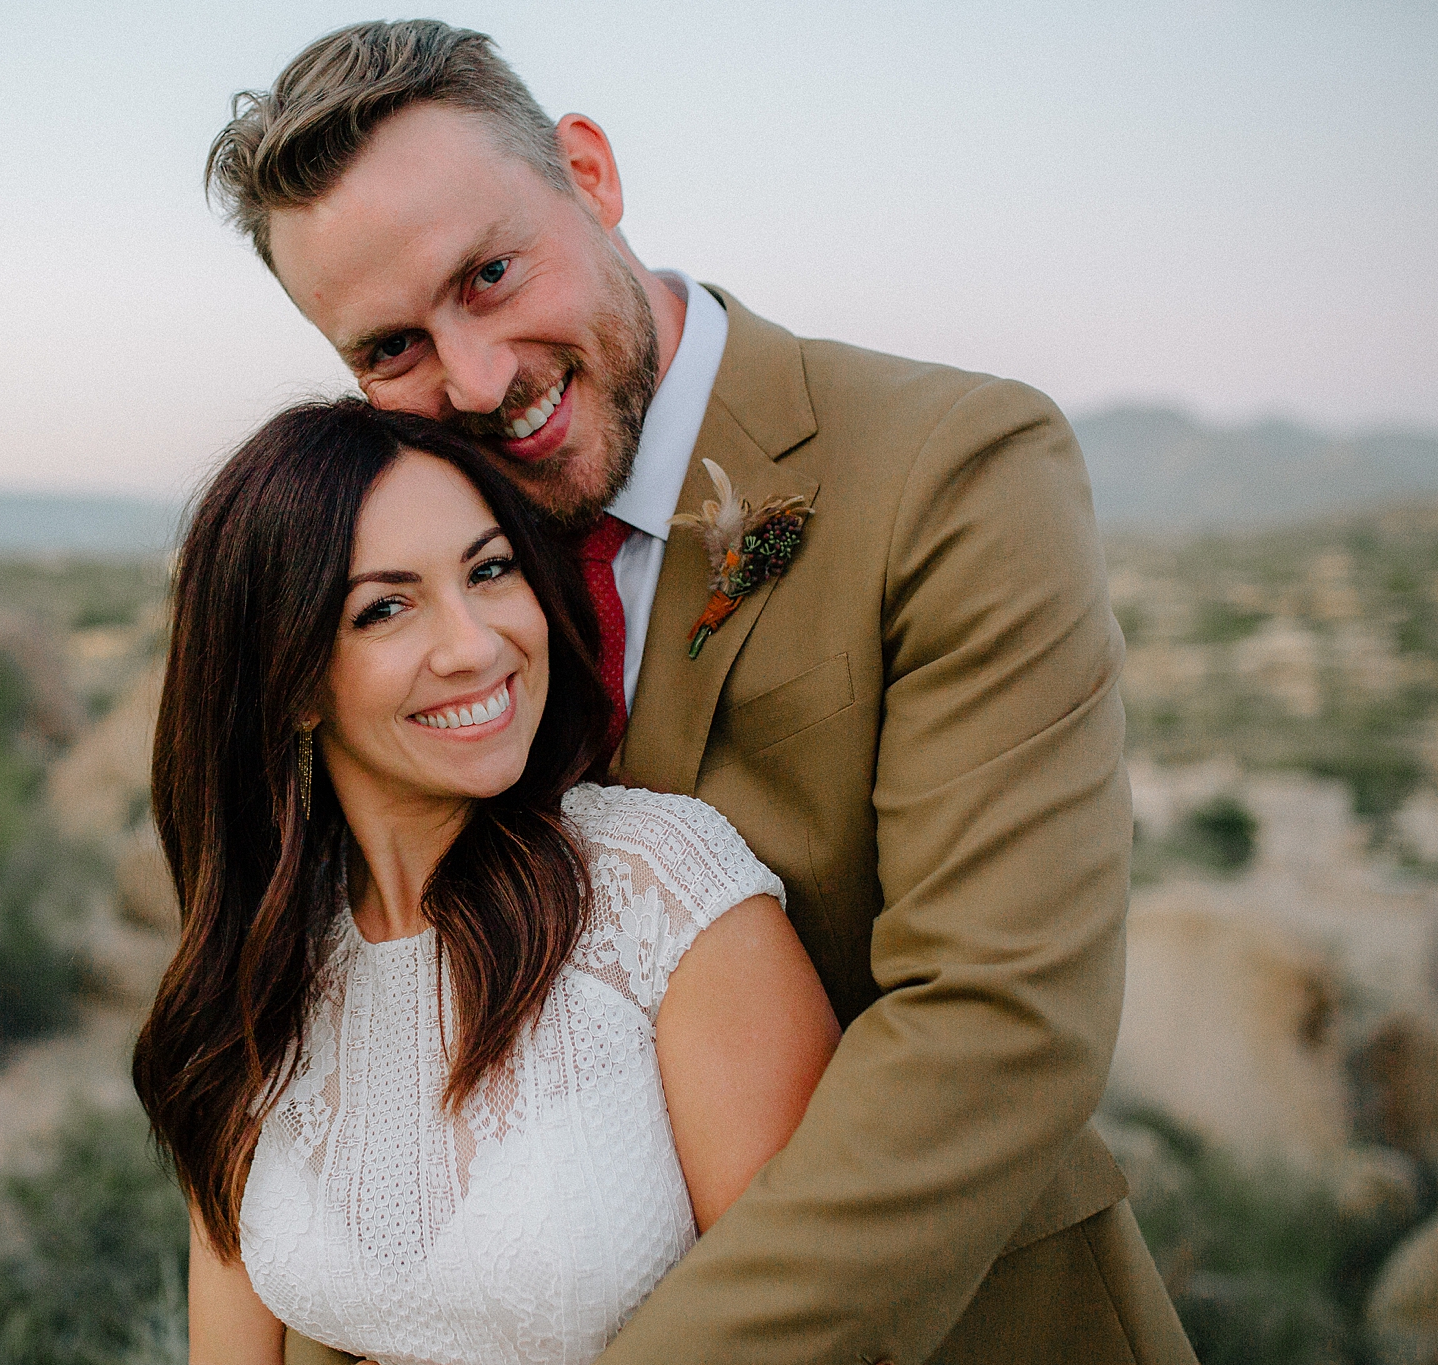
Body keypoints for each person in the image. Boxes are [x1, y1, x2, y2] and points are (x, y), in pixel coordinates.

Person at [203, 20, 1197, 1365]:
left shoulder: (948, 469)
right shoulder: (439, 565)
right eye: (392, 347)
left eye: (491, 273)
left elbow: (998, 1023)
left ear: (591, 175)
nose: (480, 381)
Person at [135, 400, 840, 1365]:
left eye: (489, 569)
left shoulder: (663, 890)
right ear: (291, 682)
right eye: (385, 606)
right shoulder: (265, 970)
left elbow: (817, 1331)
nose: (474, 644)